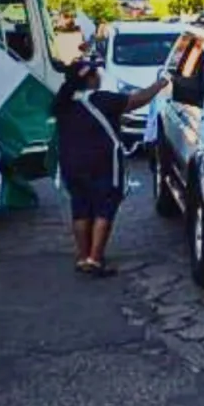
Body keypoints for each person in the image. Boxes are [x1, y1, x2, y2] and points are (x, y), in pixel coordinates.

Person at [53, 58, 168, 276]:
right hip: (102, 162)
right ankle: (95, 258)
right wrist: (159, 85)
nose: (99, 77)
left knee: (80, 208)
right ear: (88, 79)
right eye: (96, 74)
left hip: (71, 162)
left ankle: (83, 256)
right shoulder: (102, 100)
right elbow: (137, 101)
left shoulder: (63, 103)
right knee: (104, 207)